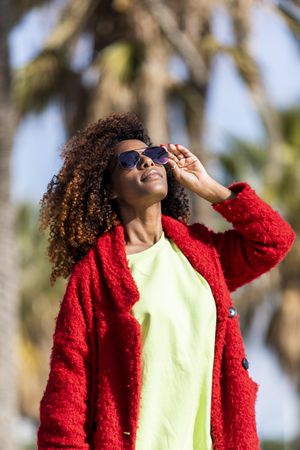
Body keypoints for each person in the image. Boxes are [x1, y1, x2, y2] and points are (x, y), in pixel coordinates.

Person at [37, 111, 295, 450]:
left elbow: (274, 240)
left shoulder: (201, 254)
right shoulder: (96, 276)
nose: (147, 162)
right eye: (130, 160)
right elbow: (66, 394)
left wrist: (211, 188)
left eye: (155, 154)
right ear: (111, 190)